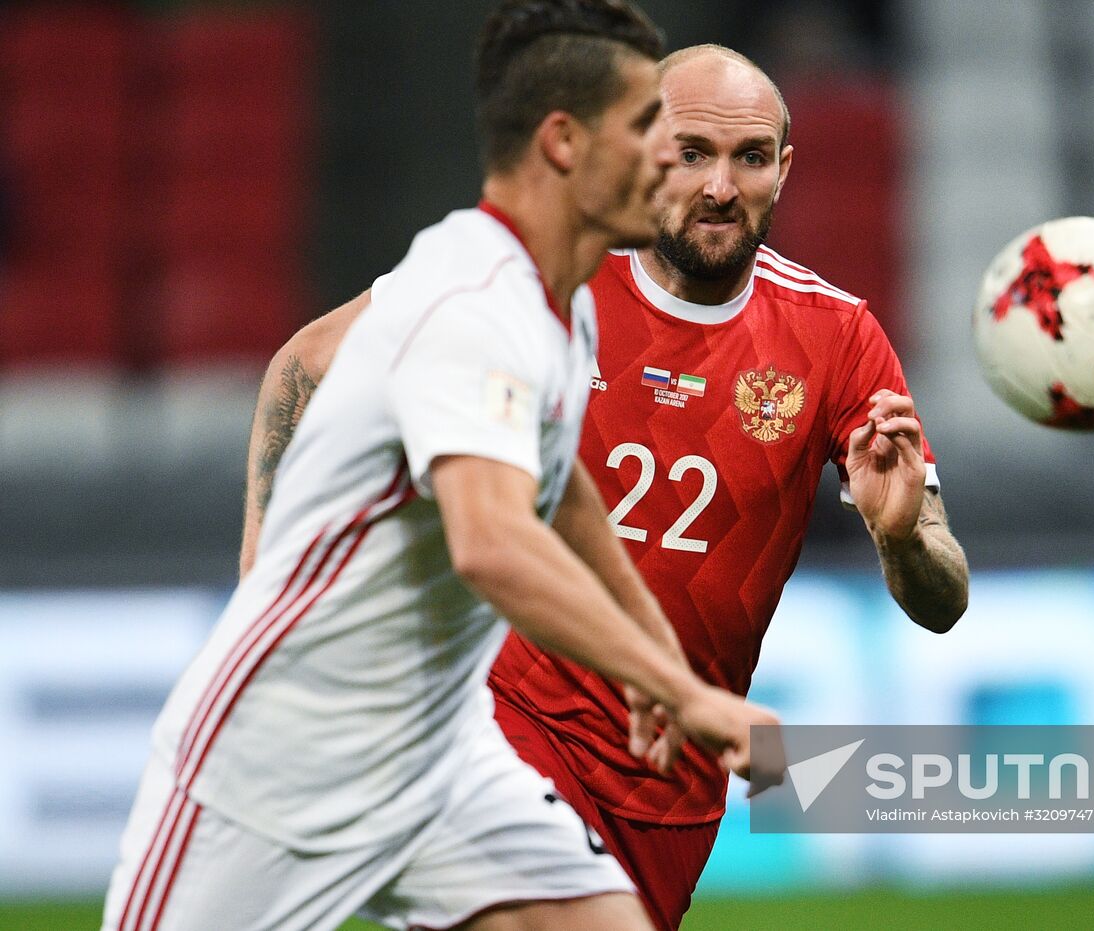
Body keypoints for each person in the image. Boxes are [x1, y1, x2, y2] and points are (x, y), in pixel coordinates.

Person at [242, 44, 969, 930]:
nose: (718, 186)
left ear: (783, 169)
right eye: (692, 151)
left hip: (669, 779)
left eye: (747, 158)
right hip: (498, 713)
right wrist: (264, 609)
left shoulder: (837, 338)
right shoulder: (544, 271)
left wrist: (902, 539)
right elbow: (306, 368)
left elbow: (943, 599)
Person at [105, 5, 779, 931]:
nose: (671, 160)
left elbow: (559, 484)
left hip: (437, 750)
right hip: (279, 765)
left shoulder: (560, 297)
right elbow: (494, 545)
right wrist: (686, 691)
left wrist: (651, 658)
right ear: (563, 143)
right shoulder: (473, 308)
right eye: (645, 130)